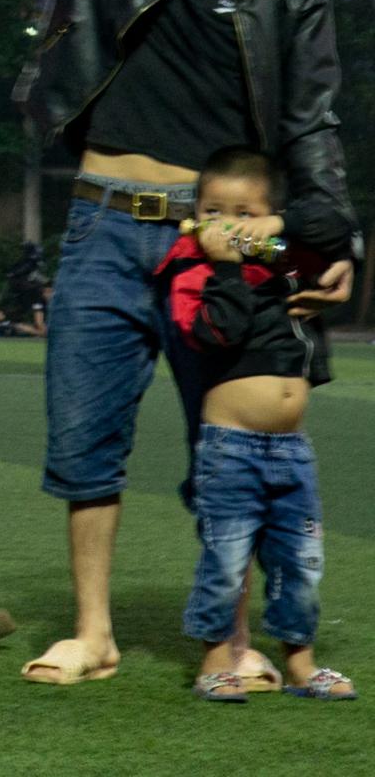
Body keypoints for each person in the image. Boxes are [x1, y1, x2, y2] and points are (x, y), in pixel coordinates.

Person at [19, 0, 358, 688]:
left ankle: (234, 641)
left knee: (236, 443)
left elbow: (311, 121)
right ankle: (93, 630)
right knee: (86, 440)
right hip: (104, 223)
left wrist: (329, 238)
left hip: (229, 243)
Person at [162, 147, 351, 702]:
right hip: (231, 448)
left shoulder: (285, 261)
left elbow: (333, 225)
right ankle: (216, 662)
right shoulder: (192, 271)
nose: (229, 224)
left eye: (245, 213)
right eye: (214, 211)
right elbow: (218, 332)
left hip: (293, 449)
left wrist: (282, 230)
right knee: (226, 559)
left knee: (301, 559)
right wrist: (226, 266)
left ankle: (301, 665)